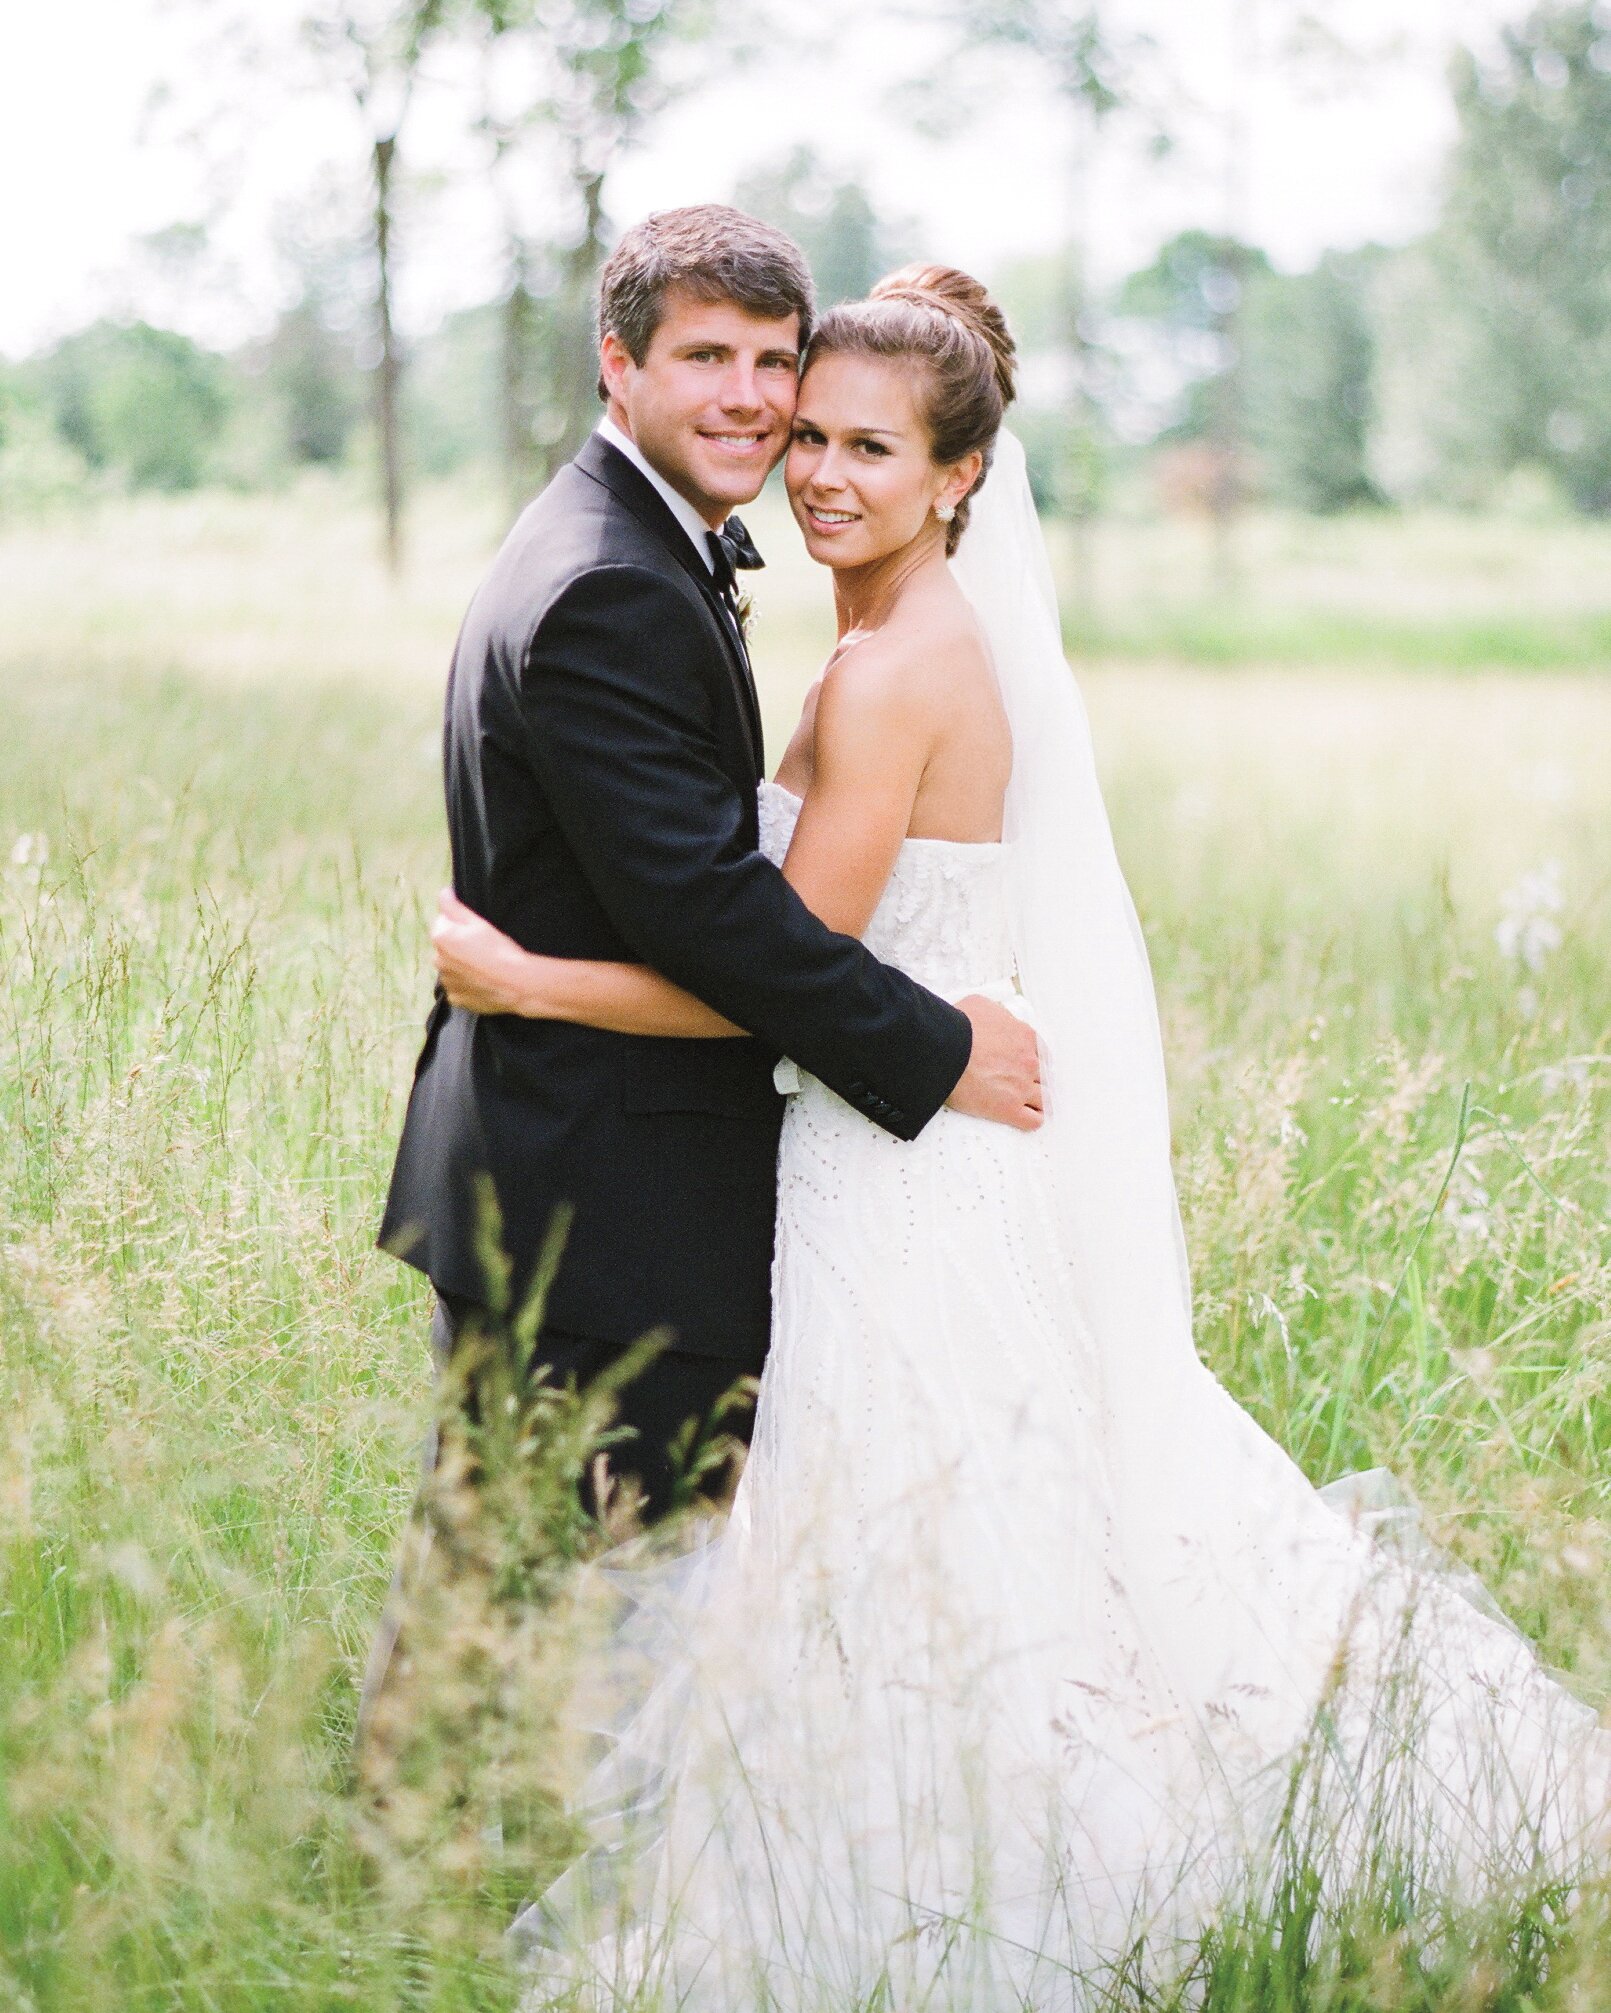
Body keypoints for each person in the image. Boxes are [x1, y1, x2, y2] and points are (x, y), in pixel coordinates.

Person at [432, 263, 1611, 2004]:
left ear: (960, 478)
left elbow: (782, 977)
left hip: (894, 1176)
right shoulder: (893, 641)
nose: (822, 472)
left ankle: (1012, 1881)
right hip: (897, 1151)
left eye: (871, 447)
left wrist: (528, 980)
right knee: (971, 1516)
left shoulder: (902, 670)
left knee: (942, 1521)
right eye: (810, 434)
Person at [359, 208, 1041, 1755]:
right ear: (620, 361)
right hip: (599, 1183)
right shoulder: (610, 579)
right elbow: (722, 922)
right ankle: (425, 1896)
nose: (753, 405)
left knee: (572, 1584)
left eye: (773, 366)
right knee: (528, 1579)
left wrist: (535, 978)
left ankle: (490, 1876)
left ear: (954, 475)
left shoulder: (637, 546)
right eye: (709, 360)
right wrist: (937, 1046)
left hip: (607, 1169)